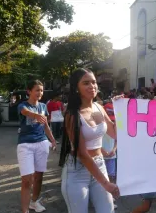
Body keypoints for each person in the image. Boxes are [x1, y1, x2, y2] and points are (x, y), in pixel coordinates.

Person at [59, 68, 119, 213]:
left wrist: (120, 109)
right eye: (86, 83)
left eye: (93, 82)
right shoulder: (72, 114)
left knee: (108, 210)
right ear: (76, 88)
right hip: (77, 170)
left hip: (99, 164)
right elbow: (82, 153)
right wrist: (106, 183)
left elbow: (115, 133)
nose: (92, 86)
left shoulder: (99, 107)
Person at [17, 80, 57, 213]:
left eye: (41, 90)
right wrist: (36, 115)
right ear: (29, 91)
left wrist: (52, 139)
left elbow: (45, 126)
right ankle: (25, 210)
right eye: (37, 90)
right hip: (25, 145)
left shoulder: (43, 106)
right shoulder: (22, 105)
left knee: (39, 176)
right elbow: (25, 112)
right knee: (27, 180)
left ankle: (34, 202)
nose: (40, 93)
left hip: (42, 143)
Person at [103, 93, 118, 209]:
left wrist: (113, 150)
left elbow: (118, 140)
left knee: (111, 176)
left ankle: (110, 197)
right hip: (100, 156)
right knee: (101, 177)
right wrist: (103, 151)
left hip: (112, 155)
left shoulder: (117, 124)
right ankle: (102, 197)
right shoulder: (100, 125)